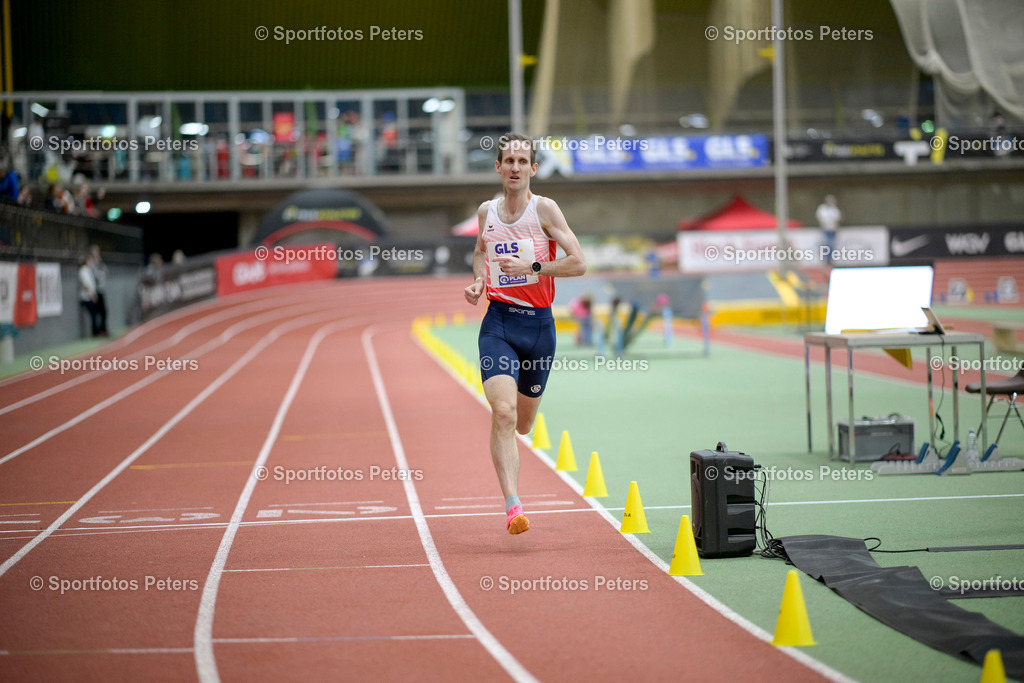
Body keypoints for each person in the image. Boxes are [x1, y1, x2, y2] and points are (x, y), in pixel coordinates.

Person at [463, 132, 586, 535]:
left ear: (533, 168)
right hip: (498, 322)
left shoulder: (545, 209)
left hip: (539, 327)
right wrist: (480, 281)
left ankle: (517, 453)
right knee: (503, 413)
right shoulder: (487, 212)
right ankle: (514, 505)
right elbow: (481, 252)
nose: (515, 168)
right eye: (508, 161)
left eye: (522, 161)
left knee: (523, 425)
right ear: (498, 167)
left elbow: (578, 263)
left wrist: (534, 269)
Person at [78, 252, 101, 337]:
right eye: (90, 260)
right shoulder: (83, 271)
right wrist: (93, 294)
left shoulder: (88, 270)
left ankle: (96, 331)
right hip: (86, 297)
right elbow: (86, 284)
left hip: (90, 296)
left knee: (95, 313)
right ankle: (95, 332)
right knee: (94, 314)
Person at [815, 194, 842, 266]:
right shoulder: (822, 209)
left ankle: (830, 260)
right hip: (825, 230)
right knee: (826, 245)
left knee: (831, 245)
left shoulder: (835, 209)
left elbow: (838, 219)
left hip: (832, 230)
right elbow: (820, 219)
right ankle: (825, 260)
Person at [89, 245, 108, 336]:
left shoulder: (101, 263)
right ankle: (97, 331)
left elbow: (105, 272)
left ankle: (103, 329)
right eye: (95, 252)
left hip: (101, 290)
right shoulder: (92, 264)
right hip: (96, 291)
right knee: (97, 312)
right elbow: (96, 276)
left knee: (104, 312)